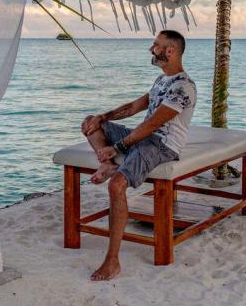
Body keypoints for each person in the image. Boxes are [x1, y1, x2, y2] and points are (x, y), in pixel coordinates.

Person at [81, 29, 196, 281]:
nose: (151, 49)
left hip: (161, 145)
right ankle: (109, 164)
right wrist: (103, 117)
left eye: (155, 45)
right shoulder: (160, 81)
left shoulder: (183, 87)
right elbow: (133, 107)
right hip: (143, 137)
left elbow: (153, 124)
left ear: (170, 51)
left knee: (116, 187)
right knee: (89, 122)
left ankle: (112, 262)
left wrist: (119, 146)